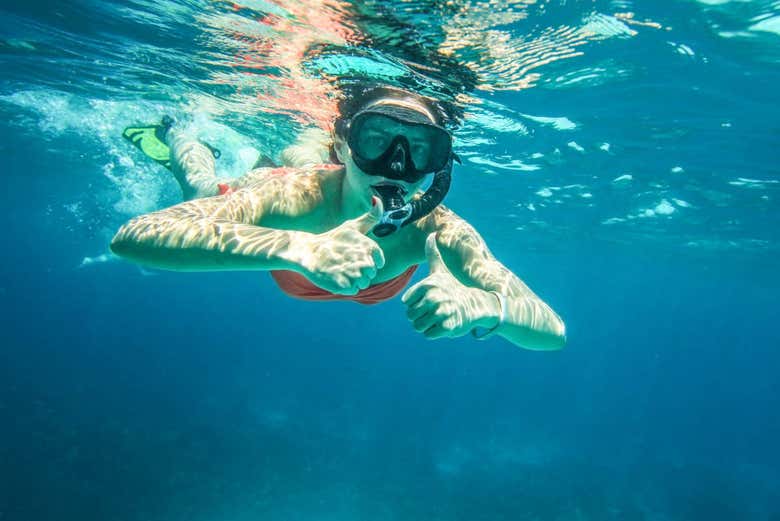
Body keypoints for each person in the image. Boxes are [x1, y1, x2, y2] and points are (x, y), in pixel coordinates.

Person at [111, 86, 566, 350]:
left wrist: (485, 306)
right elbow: (135, 235)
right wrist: (301, 247)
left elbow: (553, 331)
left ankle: (307, 149)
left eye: (419, 149)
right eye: (376, 139)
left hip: (331, 190)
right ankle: (180, 135)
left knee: (302, 159)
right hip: (301, 201)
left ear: (438, 165)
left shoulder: (437, 229)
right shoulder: (291, 197)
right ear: (346, 145)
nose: (395, 166)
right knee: (204, 191)